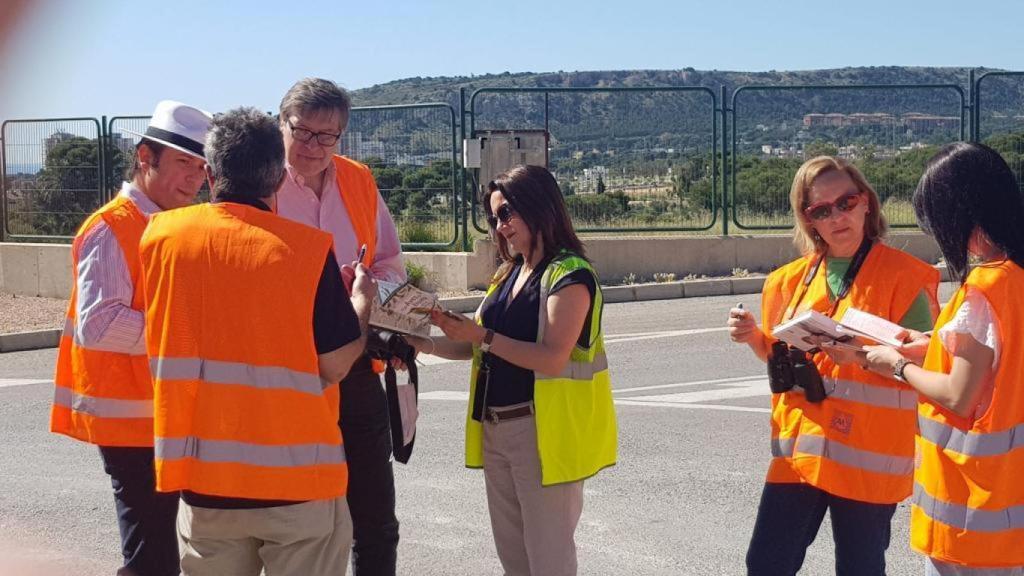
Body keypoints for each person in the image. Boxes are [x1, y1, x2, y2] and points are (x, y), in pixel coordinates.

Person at [138, 107, 376, 575]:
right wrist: (361, 303)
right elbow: (336, 363)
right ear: (279, 180)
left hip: (204, 482)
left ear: (209, 172)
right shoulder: (306, 251)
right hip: (299, 482)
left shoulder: (160, 239)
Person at [727, 156, 939, 575]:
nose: (837, 216)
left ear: (867, 204)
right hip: (802, 451)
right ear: (809, 221)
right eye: (821, 210)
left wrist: (860, 355)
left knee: (859, 567)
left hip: (868, 456)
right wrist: (754, 337)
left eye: (846, 202)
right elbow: (780, 360)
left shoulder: (904, 277)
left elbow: (928, 356)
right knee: (767, 562)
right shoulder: (785, 282)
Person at [420, 165, 617, 576]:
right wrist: (422, 342)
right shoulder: (508, 273)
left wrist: (481, 336)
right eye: (494, 218)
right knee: (515, 559)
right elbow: (475, 345)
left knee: (548, 560)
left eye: (506, 212)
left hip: (543, 433)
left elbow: (551, 357)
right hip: (497, 429)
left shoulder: (570, 275)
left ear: (537, 205)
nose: (500, 226)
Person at [50, 100, 211, 576]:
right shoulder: (111, 227)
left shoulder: (167, 222)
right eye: (184, 163)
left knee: (163, 544)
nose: (194, 178)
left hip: (163, 412)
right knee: (151, 554)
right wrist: (187, 336)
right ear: (145, 157)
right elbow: (99, 324)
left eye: (201, 167)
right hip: (130, 418)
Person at [858, 143, 1024, 576]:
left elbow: (959, 397)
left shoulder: (984, 290)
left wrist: (896, 366)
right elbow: (1002, 360)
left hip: (975, 515)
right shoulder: (1016, 277)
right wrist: (930, 344)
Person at [274, 77, 405, 575]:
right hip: (290, 367)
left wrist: (368, 288)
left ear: (341, 138)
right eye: (302, 131)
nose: (313, 146)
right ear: (280, 124)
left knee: (374, 517)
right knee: (299, 524)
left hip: (354, 360)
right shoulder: (260, 183)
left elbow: (390, 261)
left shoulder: (357, 179)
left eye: (327, 136)